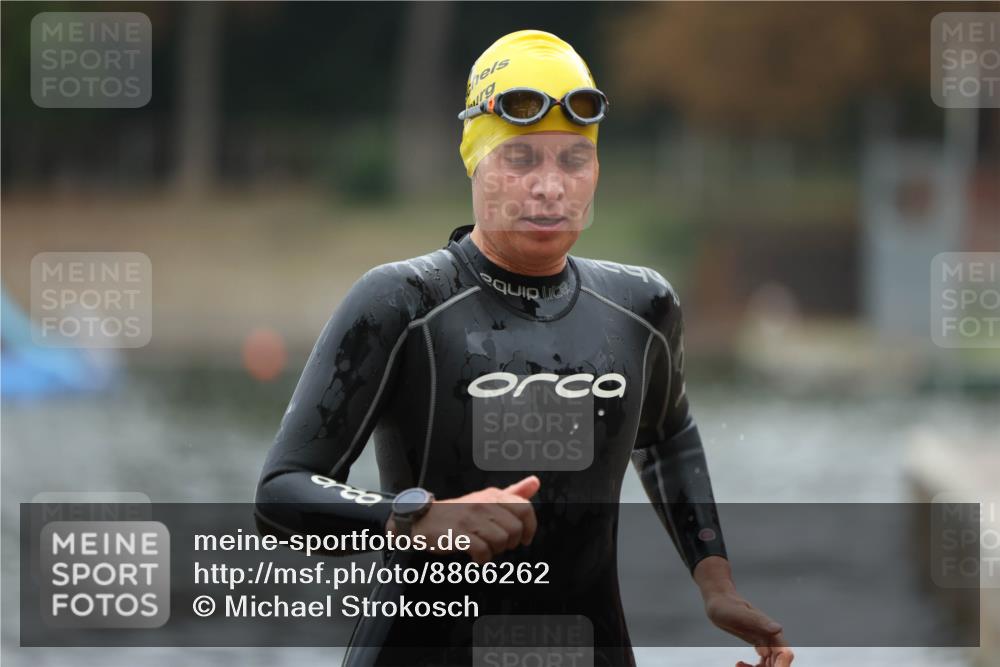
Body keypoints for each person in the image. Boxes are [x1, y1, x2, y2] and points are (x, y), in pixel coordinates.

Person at [255, 29, 794, 667]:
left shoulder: (642, 308)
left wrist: (715, 583)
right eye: (521, 159)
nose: (549, 187)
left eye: (573, 160)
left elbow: (668, 438)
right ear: (474, 160)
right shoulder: (405, 302)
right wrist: (417, 519)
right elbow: (281, 493)